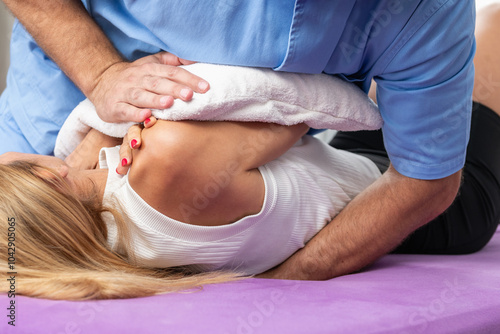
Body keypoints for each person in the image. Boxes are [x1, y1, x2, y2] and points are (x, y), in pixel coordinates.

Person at [0, 1, 479, 280]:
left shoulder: (86, 254)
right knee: (483, 107)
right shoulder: (163, 153)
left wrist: (98, 141)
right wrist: (102, 80)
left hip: (336, 177)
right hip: (357, 178)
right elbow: (293, 112)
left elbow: (421, 181)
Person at [0, 120, 381, 300]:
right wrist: (126, 110)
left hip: (341, 169)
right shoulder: (166, 154)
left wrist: (107, 128)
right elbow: (305, 104)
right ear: (44, 178)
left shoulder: (116, 256)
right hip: (384, 188)